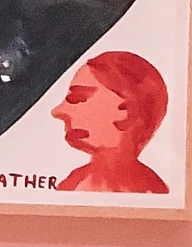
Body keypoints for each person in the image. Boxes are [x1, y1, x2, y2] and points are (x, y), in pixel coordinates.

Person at [51, 50, 169, 194]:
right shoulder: (71, 185)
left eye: (78, 98)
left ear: (127, 112)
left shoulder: (155, 194)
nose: (58, 111)